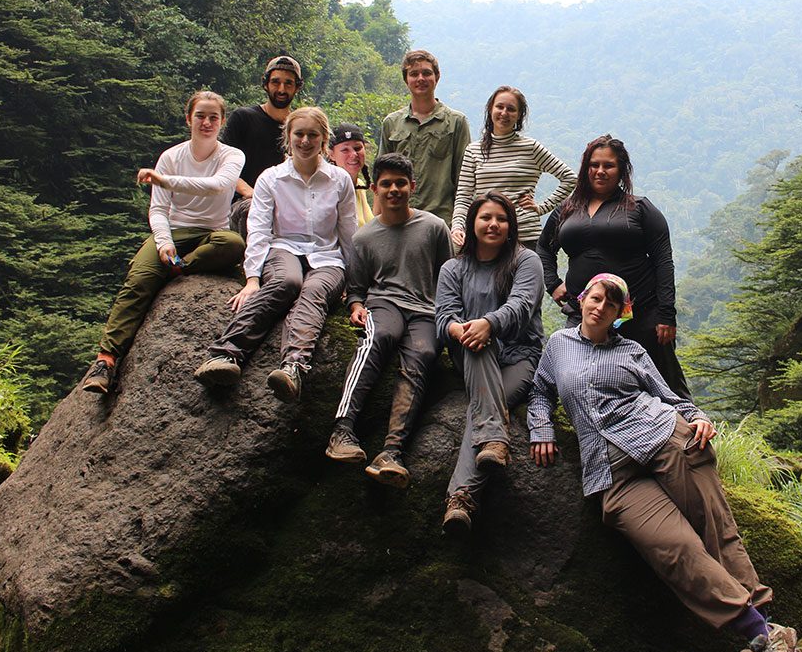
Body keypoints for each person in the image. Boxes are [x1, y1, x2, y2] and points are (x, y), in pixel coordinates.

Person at [528, 275, 797, 652]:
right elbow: (539, 392)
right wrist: (542, 429)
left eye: (611, 304)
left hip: (665, 436)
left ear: (620, 314)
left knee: (716, 528)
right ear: (582, 301)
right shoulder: (558, 347)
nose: (600, 307)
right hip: (611, 472)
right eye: (595, 298)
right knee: (676, 550)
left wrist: (698, 417)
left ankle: (764, 634)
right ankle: (766, 632)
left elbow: (669, 397)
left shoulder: (632, 350)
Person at [81, 91, 245, 393]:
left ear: (221, 122)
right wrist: (164, 242)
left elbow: (218, 186)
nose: (206, 122)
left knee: (233, 244)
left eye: (213, 117)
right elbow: (158, 209)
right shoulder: (171, 157)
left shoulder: (231, 156)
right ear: (189, 119)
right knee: (138, 281)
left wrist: (165, 180)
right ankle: (105, 360)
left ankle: (178, 270)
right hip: (174, 230)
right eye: (200, 116)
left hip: (212, 231)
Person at [193, 107, 357, 401]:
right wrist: (253, 279)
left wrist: (354, 284)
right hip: (283, 248)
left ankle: (293, 367)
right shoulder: (272, 178)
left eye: (312, 135)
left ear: (323, 140)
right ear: (288, 137)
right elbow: (259, 230)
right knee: (286, 283)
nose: (305, 141)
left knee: (315, 290)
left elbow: (348, 233)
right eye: (299, 134)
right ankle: (226, 355)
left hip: (327, 257)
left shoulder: (339, 180)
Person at [325, 152, 452, 488]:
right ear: (376, 189)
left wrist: (449, 315)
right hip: (384, 303)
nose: (393, 189)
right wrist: (355, 304)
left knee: (424, 353)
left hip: (426, 309)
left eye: (400, 183)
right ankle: (342, 430)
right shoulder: (364, 238)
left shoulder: (434, 227)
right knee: (378, 338)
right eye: (386, 184)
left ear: (412, 186)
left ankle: (391, 453)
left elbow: (447, 277)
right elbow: (358, 286)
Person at [537, 135, 690, 399]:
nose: (600, 171)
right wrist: (553, 283)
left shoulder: (639, 208)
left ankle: (693, 432)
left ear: (621, 170)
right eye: (594, 164)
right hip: (586, 314)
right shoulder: (567, 209)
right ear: (585, 168)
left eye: (608, 165)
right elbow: (544, 248)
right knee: (575, 378)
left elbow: (663, 260)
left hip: (642, 314)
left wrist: (666, 314)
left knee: (664, 383)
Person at [436, 192, 545, 534]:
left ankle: (460, 499)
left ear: (511, 226)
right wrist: (461, 328)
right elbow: (442, 318)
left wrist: (489, 324)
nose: (493, 224)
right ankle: (495, 439)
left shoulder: (526, 261)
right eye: (486, 217)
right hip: (471, 353)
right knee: (476, 345)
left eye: (501, 218)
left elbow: (522, 306)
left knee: (482, 407)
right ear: (472, 223)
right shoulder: (453, 268)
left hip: (519, 356)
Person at [449, 86, 576, 249]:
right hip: (486, 237)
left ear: (519, 115)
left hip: (525, 237)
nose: (504, 113)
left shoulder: (531, 148)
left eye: (511, 109)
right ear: (490, 109)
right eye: (499, 107)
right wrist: (458, 226)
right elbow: (464, 197)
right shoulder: (474, 151)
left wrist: (541, 208)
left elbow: (570, 178)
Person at [379, 50, 471, 225]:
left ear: (437, 76)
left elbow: (464, 179)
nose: (420, 78)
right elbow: (382, 175)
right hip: (399, 219)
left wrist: (461, 224)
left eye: (427, 73)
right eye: (413, 74)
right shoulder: (391, 123)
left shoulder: (456, 122)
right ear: (406, 79)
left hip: (442, 221)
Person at [223, 55, 303, 236]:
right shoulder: (243, 118)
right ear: (266, 84)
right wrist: (254, 194)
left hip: (288, 203)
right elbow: (224, 166)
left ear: (297, 87)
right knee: (254, 210)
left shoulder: (300, 128)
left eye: (288, 83)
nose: (281, 89)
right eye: (276, 82)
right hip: (245, 202)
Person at [327, 122, 376, 227]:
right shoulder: (328, 189)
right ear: (331, 155)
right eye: (345, 150)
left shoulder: (359, 185)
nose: (353, 155)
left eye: (357, 148)